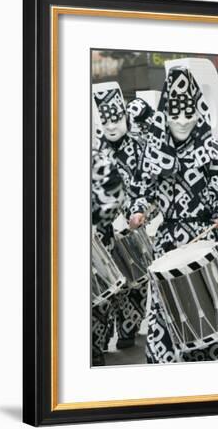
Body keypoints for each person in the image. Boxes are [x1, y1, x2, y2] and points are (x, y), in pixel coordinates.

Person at [134, 66, 218, 362]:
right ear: (165, 115)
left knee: (211, 310)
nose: (182, 121)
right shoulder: (154, 152)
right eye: (175, 114)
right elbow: (144, 194)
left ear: (197, 112)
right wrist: (139, 212)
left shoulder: (209, 148)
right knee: (165, 313)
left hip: (206, 241)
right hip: (169, 244)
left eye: (188, 113)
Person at [92, 84, 150, 349]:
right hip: (102, 232)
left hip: (131, 227)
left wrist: (140, 210)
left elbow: (148, 186)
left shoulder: (140, 149)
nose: (112, 126)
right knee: (101, 288)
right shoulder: (93, 151)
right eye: (105, 121)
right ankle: (98, 342)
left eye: (116, 119)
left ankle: (128, 329)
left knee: (135, 285)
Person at [91, 133, 126, 366]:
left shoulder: (96, 157)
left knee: (99, 299)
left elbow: (114, 193)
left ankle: (94, 346)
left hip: (96, 238)